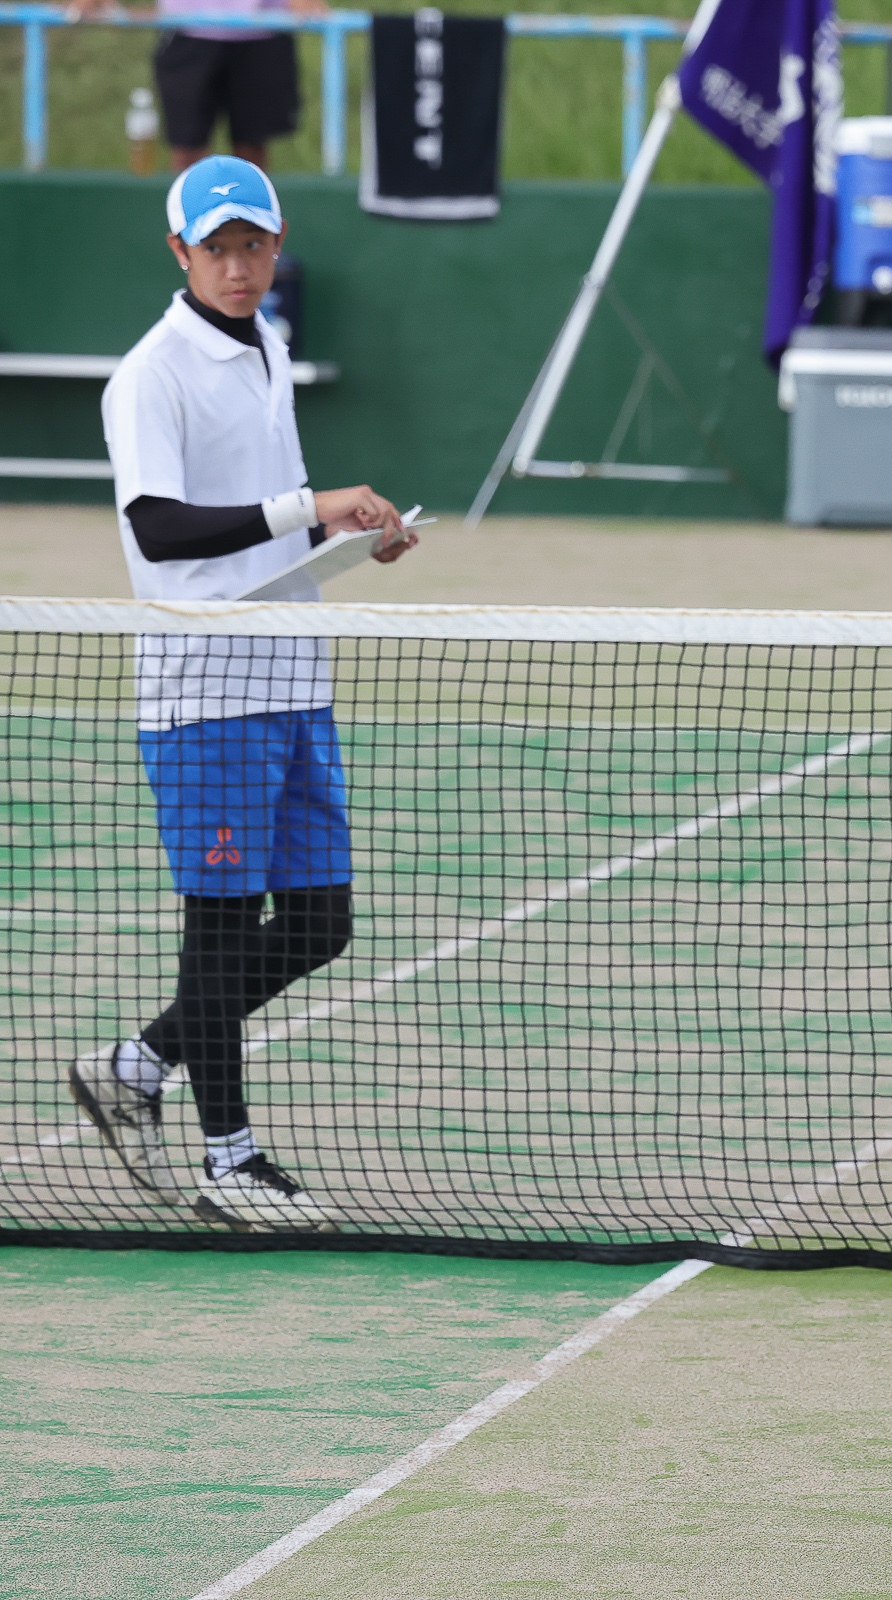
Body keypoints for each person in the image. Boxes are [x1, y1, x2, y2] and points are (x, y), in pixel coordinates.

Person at [66, 156, 415, 1232]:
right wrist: (307, 505)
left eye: (252, 245)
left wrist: (345, 532)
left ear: (277, 243)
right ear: (179, 252)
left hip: (293, 672)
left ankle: (135, 1065)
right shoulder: (150, 376)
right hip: (205, 688)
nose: (236, 265)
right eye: (215, 248)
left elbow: (264, 511)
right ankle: (230, 1159)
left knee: (318, 922)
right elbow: (160, 527)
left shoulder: (269, 344)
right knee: (218, 932)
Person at [67, 0, 325, 173]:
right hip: (185, 28)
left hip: (262, 29)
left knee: (252, 149)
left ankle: (252, 229)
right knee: (186, 150)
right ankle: (187, 230)